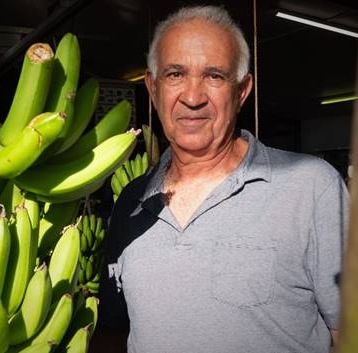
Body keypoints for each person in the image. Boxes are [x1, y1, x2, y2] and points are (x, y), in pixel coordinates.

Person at [91, 4, 349, 353]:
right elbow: (114, 332)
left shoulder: (311, 187)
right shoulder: (131, 205)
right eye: (175, 74)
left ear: (241, 91)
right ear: (153, 89)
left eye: (214, 75)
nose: (193, 97)